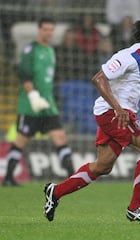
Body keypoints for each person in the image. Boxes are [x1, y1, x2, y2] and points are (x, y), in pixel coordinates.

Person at [43, 14, 140, 224]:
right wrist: (118, 108)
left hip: (122, 114)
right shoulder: (129, 56)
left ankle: (55, 192)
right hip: (111, 113)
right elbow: (98, 78)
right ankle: (135, 209)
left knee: (103, 166)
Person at [2, 17, 74, 187]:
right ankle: (8, 177)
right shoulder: (30, 50)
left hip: (48, 104)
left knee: (60, 136)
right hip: (30, 104)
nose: (48, 32)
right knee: (22, 139)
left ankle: (72, 177)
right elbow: (24, 74)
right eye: (45, 29)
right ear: (39, 30)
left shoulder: (50, 50)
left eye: (51, 29)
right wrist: (33, 95)